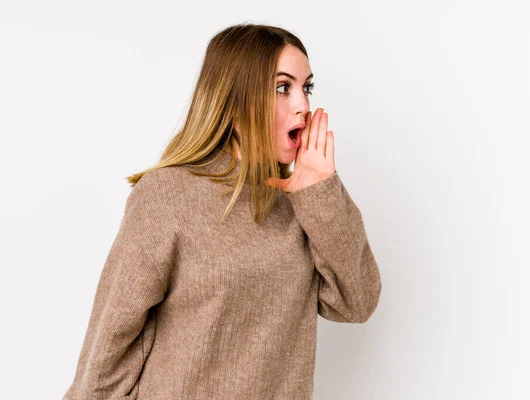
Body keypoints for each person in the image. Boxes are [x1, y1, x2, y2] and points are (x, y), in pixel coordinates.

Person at [63, 23, 382, 400]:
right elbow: (108, 348)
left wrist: (320, 191)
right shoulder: (168, 195)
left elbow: (356, 302)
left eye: (306, 87)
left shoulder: (303, 205)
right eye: (283, 88)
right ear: (235, 100)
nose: (303, 105)